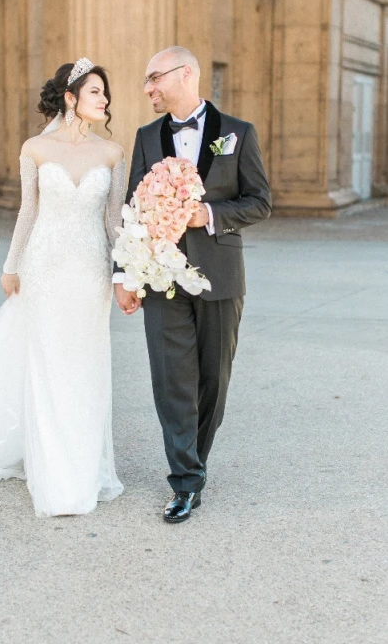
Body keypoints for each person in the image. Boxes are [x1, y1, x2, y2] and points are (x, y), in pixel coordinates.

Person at [0, 58, 125, 518]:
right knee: (47, 363)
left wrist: (129, 269)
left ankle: (81, 462)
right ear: (70, 97)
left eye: (105, 94)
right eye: (96, 92)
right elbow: (28, 212)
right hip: (44, 268)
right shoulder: (34, 148)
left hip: (90, 270)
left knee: (84, 363)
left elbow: (114, 221)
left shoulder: (113, 154)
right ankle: (54, 473)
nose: (105, 100)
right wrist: (11, 265)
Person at [114, 46, 271, 523]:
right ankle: (184, 480)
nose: (148, 89)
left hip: (219, 277)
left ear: (186, 74)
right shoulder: (145, 137)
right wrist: (124, 275)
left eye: (154, 78)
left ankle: (195, 460)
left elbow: (260, 201)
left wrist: (209, 214)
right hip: (160, 279)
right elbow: (132, 208)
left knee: (212, 384)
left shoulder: (237, 133)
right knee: (170, 380)